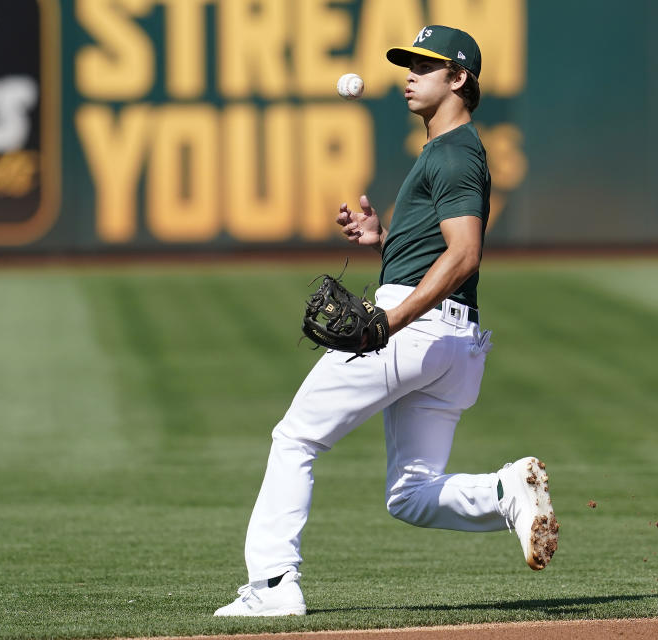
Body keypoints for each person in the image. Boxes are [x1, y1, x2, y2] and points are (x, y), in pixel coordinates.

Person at [215, 25, 558, 617]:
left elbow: (465, 254)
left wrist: (390, 319)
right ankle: (504, 491)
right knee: (411, 495)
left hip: (413, 332)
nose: (409, 74)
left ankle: (273, 586)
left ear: (460, 78)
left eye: (425, 66)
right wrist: (382, 240)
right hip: (455, 344)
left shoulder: (452, 154)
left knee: (295, 438)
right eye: (407, 64)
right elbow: (439, 255)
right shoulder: (447, 153)